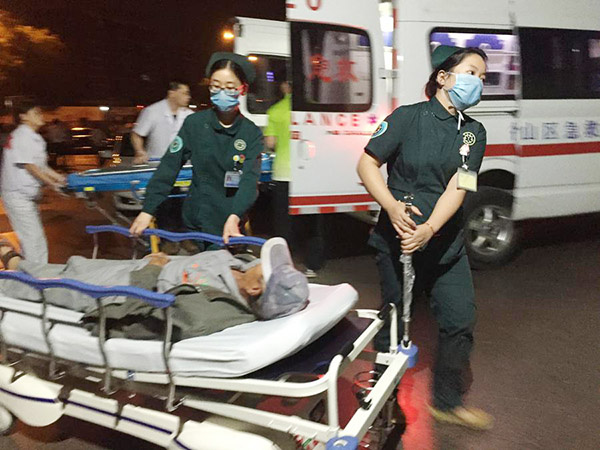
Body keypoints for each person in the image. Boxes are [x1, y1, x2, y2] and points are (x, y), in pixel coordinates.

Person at [357, 45, 493, 430]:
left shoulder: (473, 132)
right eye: (472, 73)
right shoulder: (406, 118)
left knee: (460, 320)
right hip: (397, 241)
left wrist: (431, 228)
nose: (479, 82)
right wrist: (392, 206)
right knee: (395, 326)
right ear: (443, 78)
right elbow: (367, 163)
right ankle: (380, 402)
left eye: (482, 77)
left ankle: (447, 402)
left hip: (444, 246)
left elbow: (460, 185)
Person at [0, 237, 309, 342]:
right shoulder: (242, 269)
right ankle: (13, 260)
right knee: (72, 264)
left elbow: (139, 315)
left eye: (264, 266)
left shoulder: (208, 311)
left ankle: (8, 275)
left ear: (255, 289)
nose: (257, 260)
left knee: (50, 285)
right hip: (138, 268)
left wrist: (152, 270)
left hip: (121, 290)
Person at [129, 53, 264, 245]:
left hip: (229, 221)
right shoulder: (194, 124)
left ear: (243, 89)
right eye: (216, 86)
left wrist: (235, 216)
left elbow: (249, 182)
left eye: (229, 87)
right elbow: (169, 167)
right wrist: (147, 209)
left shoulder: (251, 133)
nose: (222, 92)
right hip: (197, 217)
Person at [264, 81, 325, 278]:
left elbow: (270, 143)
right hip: (310, 173)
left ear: (284, 87)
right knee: (312, 221)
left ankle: (284, 265)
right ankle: (312, 265)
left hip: (284, 173)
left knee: (283, 222)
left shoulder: (275, 110)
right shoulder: (314, 109)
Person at [0, 100, 66, 264]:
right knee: (35, 241)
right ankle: (37, 280)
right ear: (23, 116)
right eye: (35, 112)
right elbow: (30, 167)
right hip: (18, 196)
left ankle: (28, 277)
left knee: (30, 240)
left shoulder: (34, 138)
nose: (40, 115)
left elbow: (42, 167)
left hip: (27, 196)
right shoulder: (22, 136)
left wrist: (62, 179)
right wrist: (53, 184)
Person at [130, 82, 193, 244]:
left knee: (184, 203)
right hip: (159, 168)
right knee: (164, 205)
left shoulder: (189, 115)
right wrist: (140, 151)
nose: (188, 97)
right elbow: (137, 134)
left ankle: (186, 237)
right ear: (172, 93)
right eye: (184, 93)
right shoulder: (152, 112)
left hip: (184, 169)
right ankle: (168, 241)